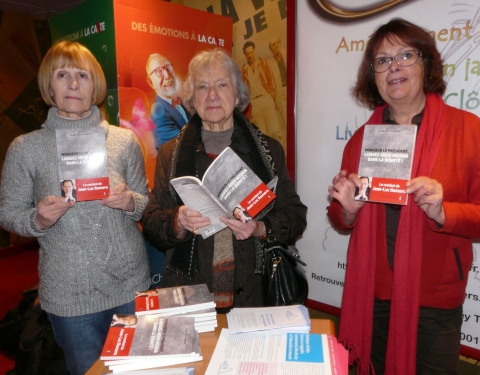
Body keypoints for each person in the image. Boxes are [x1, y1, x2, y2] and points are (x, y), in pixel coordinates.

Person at [327, 18, 480, 375]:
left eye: (406, 55)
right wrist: (348, 209)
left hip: (434, 301)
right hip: (371, 296)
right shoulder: (362, 139)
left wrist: (443, 211)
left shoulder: (467, 131)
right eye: (382, 60)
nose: (394, 67)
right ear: (372, 76)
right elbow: (337, 216)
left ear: (426, 64)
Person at [0, 41, 150, 375]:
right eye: (62, 75)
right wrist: (37, 218)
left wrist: (130, 202)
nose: (72, 84)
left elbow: (143, 200)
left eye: (82, 75)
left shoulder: (124, 141)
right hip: (70, 294)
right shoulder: (26, 148)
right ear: (48, 86)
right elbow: (8, 213)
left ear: (95, 84)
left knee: (138, 369)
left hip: (129, 283)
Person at [141, 48, 307, 312]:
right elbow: (151, 221)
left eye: (222, 84)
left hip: (254, 294)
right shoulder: (171, 154)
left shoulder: (268, 151)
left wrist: (260, 228)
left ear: (238, 93)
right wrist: (178, 221)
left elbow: (296, 216)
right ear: (193, 98)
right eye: (203, 87)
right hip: (190, 295)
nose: (213, 95)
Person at [241, 42, 283, 144]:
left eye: (251, 52)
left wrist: (271, 96)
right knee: (261, 132)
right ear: (245, 55)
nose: (250, 55)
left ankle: (280, 154)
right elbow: (244, 88)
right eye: (247, 53)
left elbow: (270, 78)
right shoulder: (244, 69)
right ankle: (266, 158)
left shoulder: (262, 62)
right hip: (254, 102)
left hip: (266, 98)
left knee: (274, 129)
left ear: (254, 51)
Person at [146, 53, 190, 149]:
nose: (167, 75)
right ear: (150, 82)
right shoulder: (159, 118)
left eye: (168, 68)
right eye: (158, 72)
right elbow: (182, 152)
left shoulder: (180, 102)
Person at [267, 37, 287, 138]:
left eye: (277, 43)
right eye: (273, 45)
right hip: (281, 92)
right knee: (286, 119)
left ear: (280, 43)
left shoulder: (287, 53)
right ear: (271, 49)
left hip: (293, 90)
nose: (276, 46)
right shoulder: (270, 62)